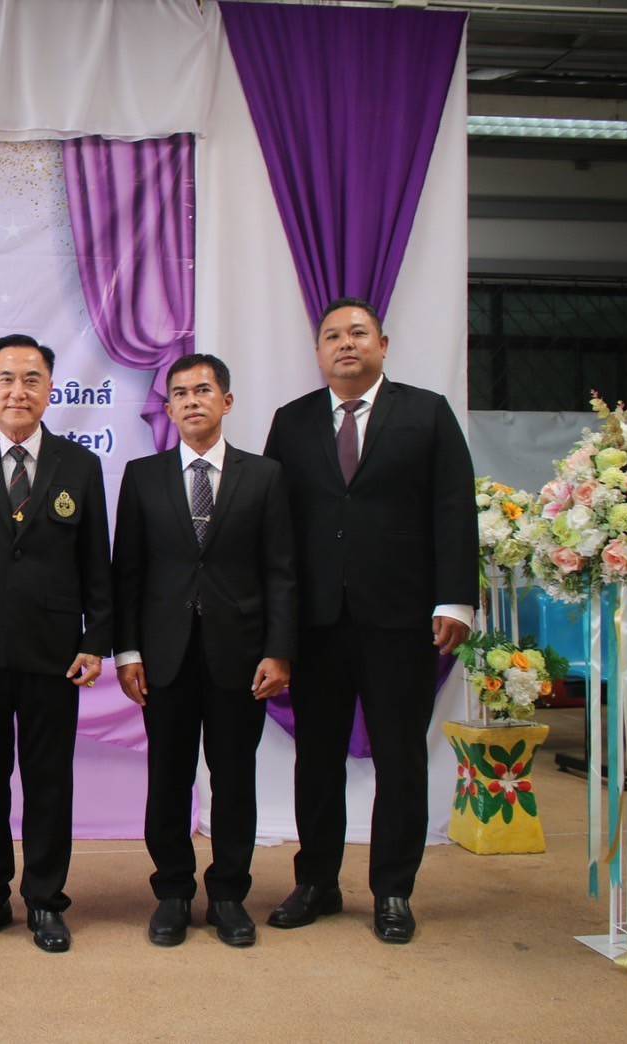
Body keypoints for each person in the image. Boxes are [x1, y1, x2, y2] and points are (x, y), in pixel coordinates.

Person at [262, 298, 476, 945]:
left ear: (383, 344)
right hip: (317, 624)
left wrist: (455, 599)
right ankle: (316, 882)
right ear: (318, 352)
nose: (345, 343)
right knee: (317, 759)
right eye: (332, 336)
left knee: (401, 757)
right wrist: (275, 625)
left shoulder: (426, 413)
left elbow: (453, 508)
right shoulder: (293, 421)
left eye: (358, 333)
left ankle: (393, 890)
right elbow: (274, 527)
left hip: (401, 620)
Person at [0, 334, 112, 954]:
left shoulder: (79, 464)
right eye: (6, 378)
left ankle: (45, 900)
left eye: (32, 379)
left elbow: (96, 561)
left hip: (54, 650)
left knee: (48, 779)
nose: (18, 390)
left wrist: (96, 640)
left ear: (50, 389)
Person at [113, 354, 297, 949]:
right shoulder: (142, 476)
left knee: (234, 778)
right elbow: (128, 572)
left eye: (203, 390)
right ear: (168, 408)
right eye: (180, 393)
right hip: (164, 657)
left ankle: (228, 896)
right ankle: (172, 892)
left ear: (227, 401)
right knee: (167, 778)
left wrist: (279, 650)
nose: (192, 401)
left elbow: (281, 571)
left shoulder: (264, 476)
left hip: (239, 656)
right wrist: (127, 652)